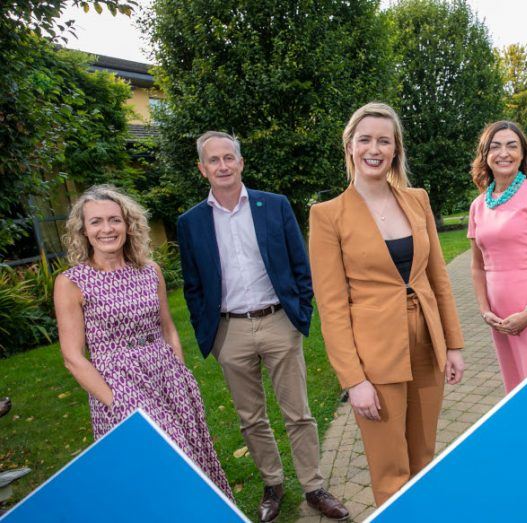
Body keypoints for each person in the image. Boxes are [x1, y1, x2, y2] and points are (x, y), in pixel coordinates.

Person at [177, 131, 348, 522]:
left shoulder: (273, 206)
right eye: (213, 160)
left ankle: (313, 486)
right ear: (203, 169)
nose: (222, 166)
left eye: (228, 158)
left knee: (298, 413)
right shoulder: (191, 222)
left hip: (277, 322)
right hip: (229, 331)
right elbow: (193, 285)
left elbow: (300, 264)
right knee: (251, 418)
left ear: (240, 162)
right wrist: (213, 336)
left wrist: (299, 313)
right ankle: (273, 483)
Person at [309, 102, 465, 507]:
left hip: (427, 342)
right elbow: (331, 306)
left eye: (384, 140)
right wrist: (353, 380)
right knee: (390, 468)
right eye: (365, 140)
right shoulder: (328, 215)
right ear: (350, 147)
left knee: (424, 457)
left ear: (396, 149)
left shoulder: (417, 199)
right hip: (375, 355)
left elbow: (439, 278)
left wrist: (455, 344)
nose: (373, 148)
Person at [54, 185, 233, 500]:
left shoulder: (150, 271)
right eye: (96, 222)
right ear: (83, 230)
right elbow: (73, 357)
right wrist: (116, 402)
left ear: (128, 224)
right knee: (168, 460)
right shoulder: (72, 282)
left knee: (194, 452)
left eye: (114, 220)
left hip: (166, 373)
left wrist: (178, 370)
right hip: (118, 382)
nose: (107, 229)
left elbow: (168, 327)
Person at [467, 121, 527, 522]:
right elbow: (476, 267)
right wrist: (483, 309)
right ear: (485, 155)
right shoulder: (478, 204)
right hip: (501, 322)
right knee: (516, 401)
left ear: (523, 153)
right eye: (495, 146)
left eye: (512, 146)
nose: (503, 153)